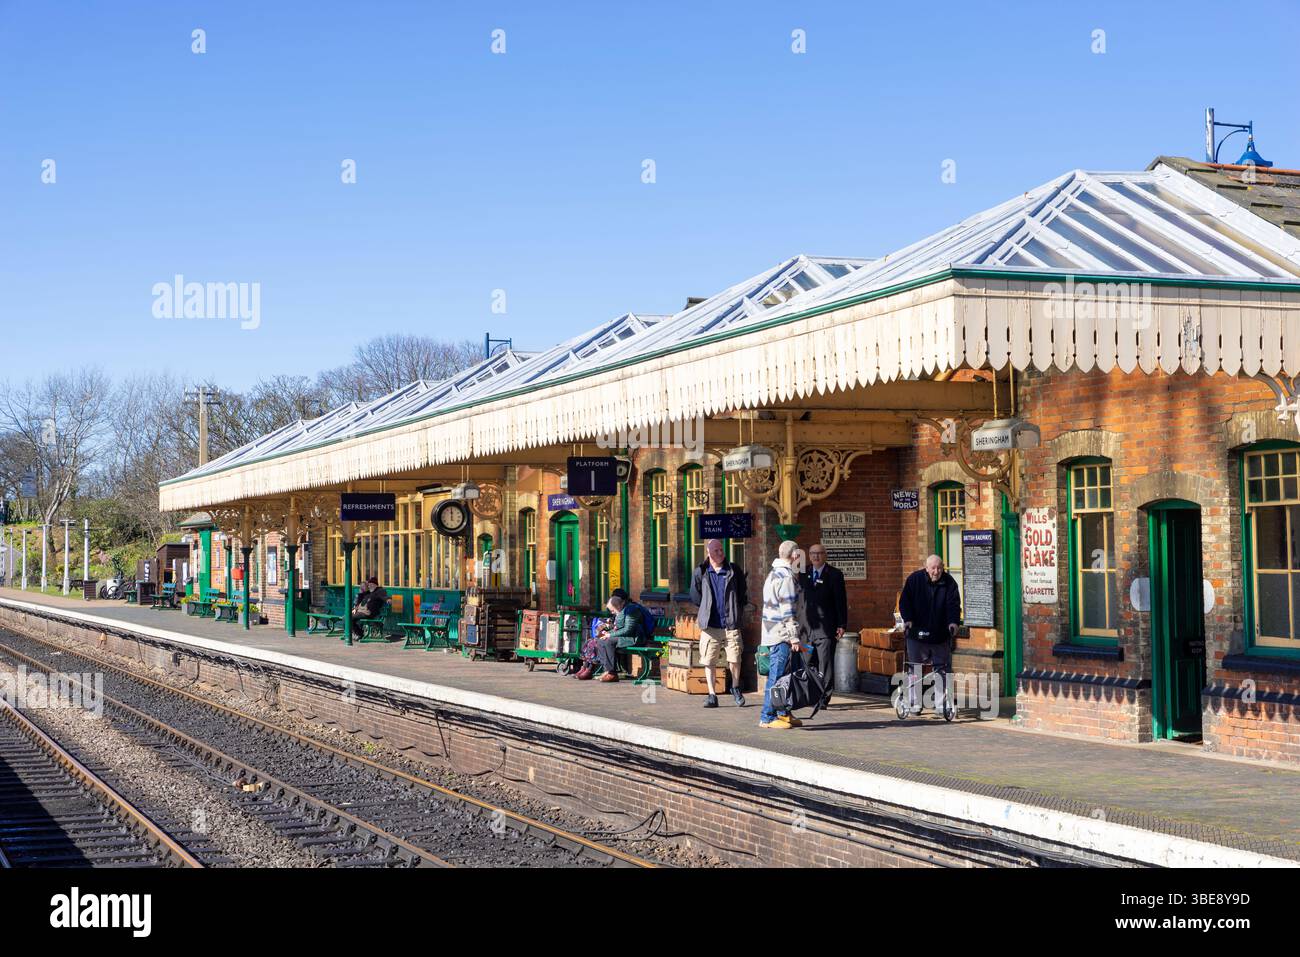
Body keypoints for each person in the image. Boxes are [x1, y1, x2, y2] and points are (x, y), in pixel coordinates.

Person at [897, 554, 961, 715]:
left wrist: (953, 622)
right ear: (926, 568)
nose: (936, 571)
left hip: (940, 633)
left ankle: (941, 705)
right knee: (914, 668)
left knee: (941, 670)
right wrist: (908, 619)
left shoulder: (949, 583)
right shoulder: (914, 580)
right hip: (917, 633)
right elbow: (905, 601)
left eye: (939, 568)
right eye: (933, 568)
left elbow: (954, 604)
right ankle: (914, 704)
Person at [689, 539, 748, 709]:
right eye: (716, 550)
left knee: (735, 658)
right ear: (708, 552)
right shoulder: (701, 571)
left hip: (731, 622)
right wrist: (707, 608)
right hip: (710, 625)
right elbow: (695, 596)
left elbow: (742, 592)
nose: (720, 553)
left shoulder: (733, 570)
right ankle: (712, 694)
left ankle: (735, 687)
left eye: (721, 550)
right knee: (709, 660)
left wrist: (736, 610)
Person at [759, 541, 805, 729]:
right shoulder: (786, 577)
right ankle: (767, 717)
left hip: (772, 632)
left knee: (784, 677)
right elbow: (787, 611)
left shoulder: (772, 574)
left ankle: (782, 712)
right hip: (781, 636)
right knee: (777, 677)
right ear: (794, 556)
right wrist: (793, 637)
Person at [800, 543, 849, 709]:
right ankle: (811, 693)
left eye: (819, 553)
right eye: (812, 553)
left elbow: (840, 601)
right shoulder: (803, 573)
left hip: (825, 628)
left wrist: (842, 624)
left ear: (824, 555)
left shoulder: (834, 574)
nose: (815, 557)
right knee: (807, 661)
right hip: (806, 629)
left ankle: (824, 697)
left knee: (825, 663)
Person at [578, 592, 650, 682]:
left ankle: (612, 673)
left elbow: (628, 630)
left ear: (618, 606)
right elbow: (618, 627)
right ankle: (607, 670)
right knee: (600, 640)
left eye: (613, 610)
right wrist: (606, 634)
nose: (612, 613)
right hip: (625, 637)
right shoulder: (622, 611)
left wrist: (610, 634)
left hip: (634, 638)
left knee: (608, 641)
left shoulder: (631, 611)